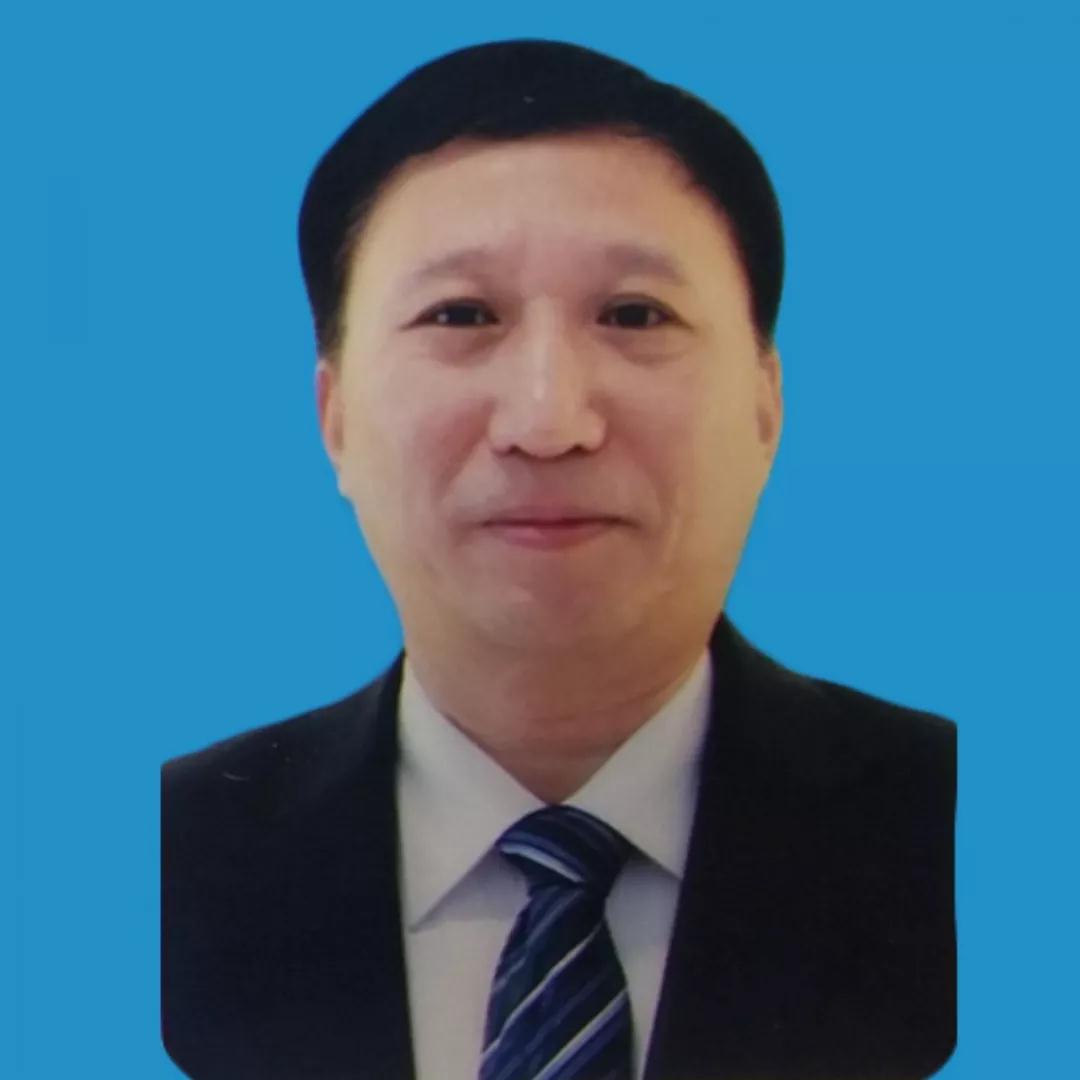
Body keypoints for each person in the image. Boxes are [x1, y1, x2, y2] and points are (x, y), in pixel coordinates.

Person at [162, 39, 956, 1080]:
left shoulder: (973, 830)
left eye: (635, 315)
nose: (547, 421)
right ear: (335, 417)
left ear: (766, 408)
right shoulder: (160, 859)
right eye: (461, 315)